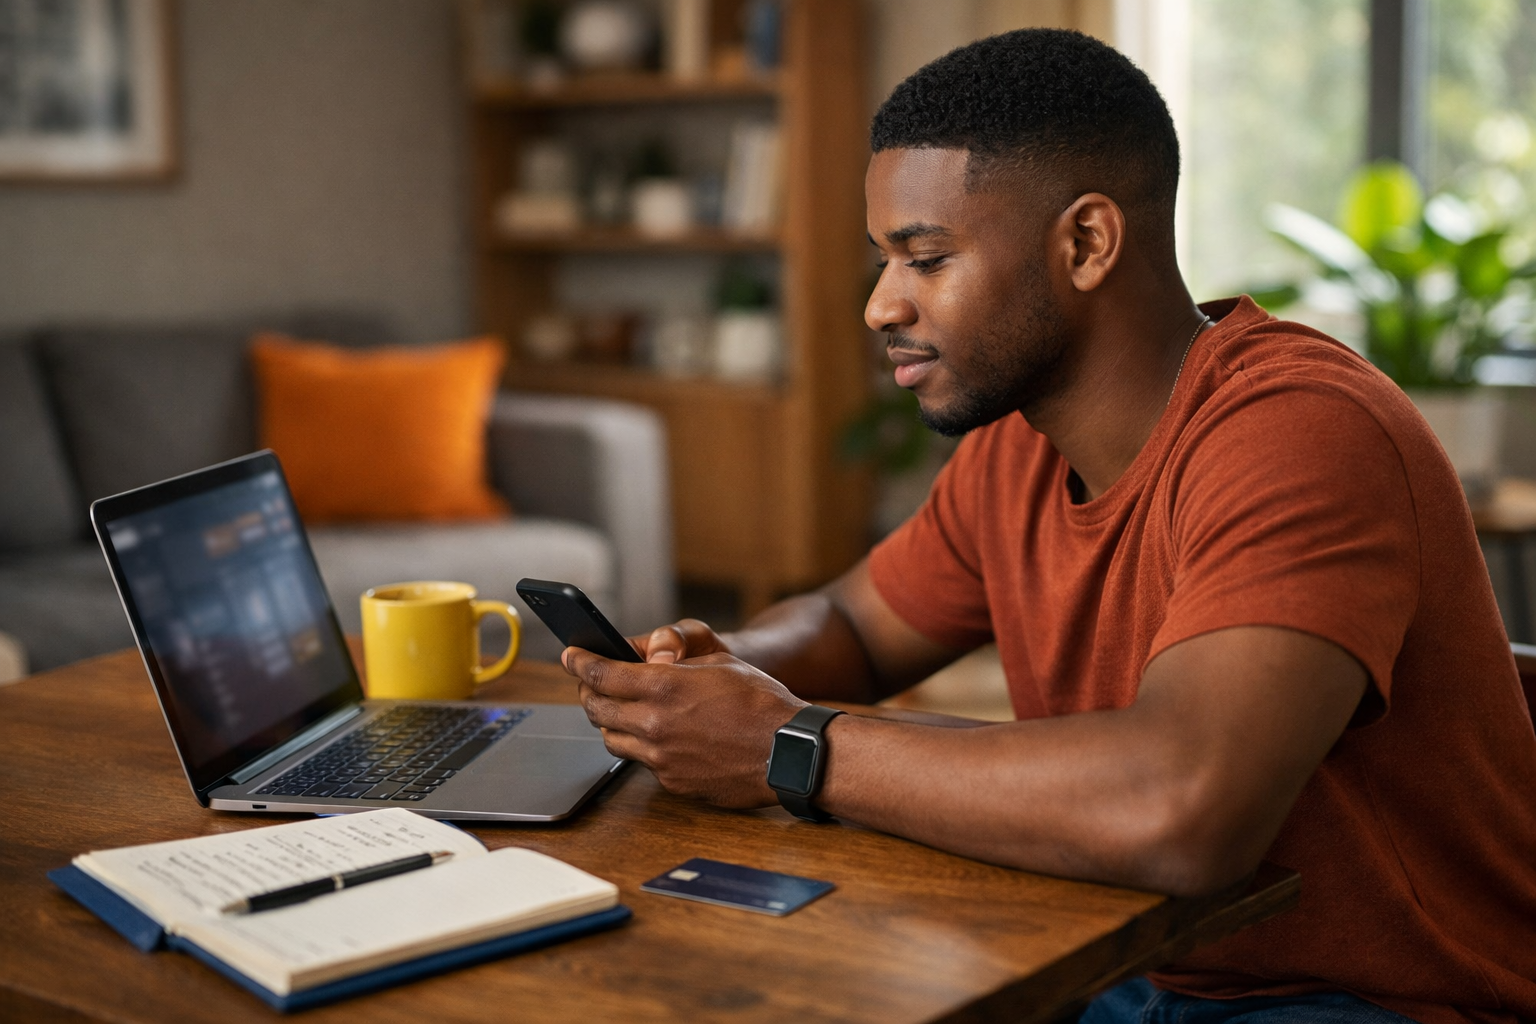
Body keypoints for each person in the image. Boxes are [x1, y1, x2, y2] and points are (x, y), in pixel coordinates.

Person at [561, 28, 1536, 1023]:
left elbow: (1182, 808)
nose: (879, 305)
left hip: (1387, 1001)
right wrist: (713, 674)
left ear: (1086, 243)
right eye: (884, 259)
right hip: (1142, 959)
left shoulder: (1303, 434)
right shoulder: (1016, 446)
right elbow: (855, 627)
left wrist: (786, 741)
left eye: (925, 258)